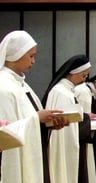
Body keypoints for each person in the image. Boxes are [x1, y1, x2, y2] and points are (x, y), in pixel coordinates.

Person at [0, 30, 65, 183]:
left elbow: (27, 117)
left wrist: (48, 123)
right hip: (14, 160)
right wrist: (37, 118)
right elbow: (6, 132)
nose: (33, 61)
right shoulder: (3, 86)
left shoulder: (21, 84)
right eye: (31, 56)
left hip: (33, 152)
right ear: (16, 54)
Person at [42, 54, 94, 183]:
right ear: (73, 73)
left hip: (70, 140)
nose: (84, 80)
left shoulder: (67, 90)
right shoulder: (60, 92)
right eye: (83, 75)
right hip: (62, 143)